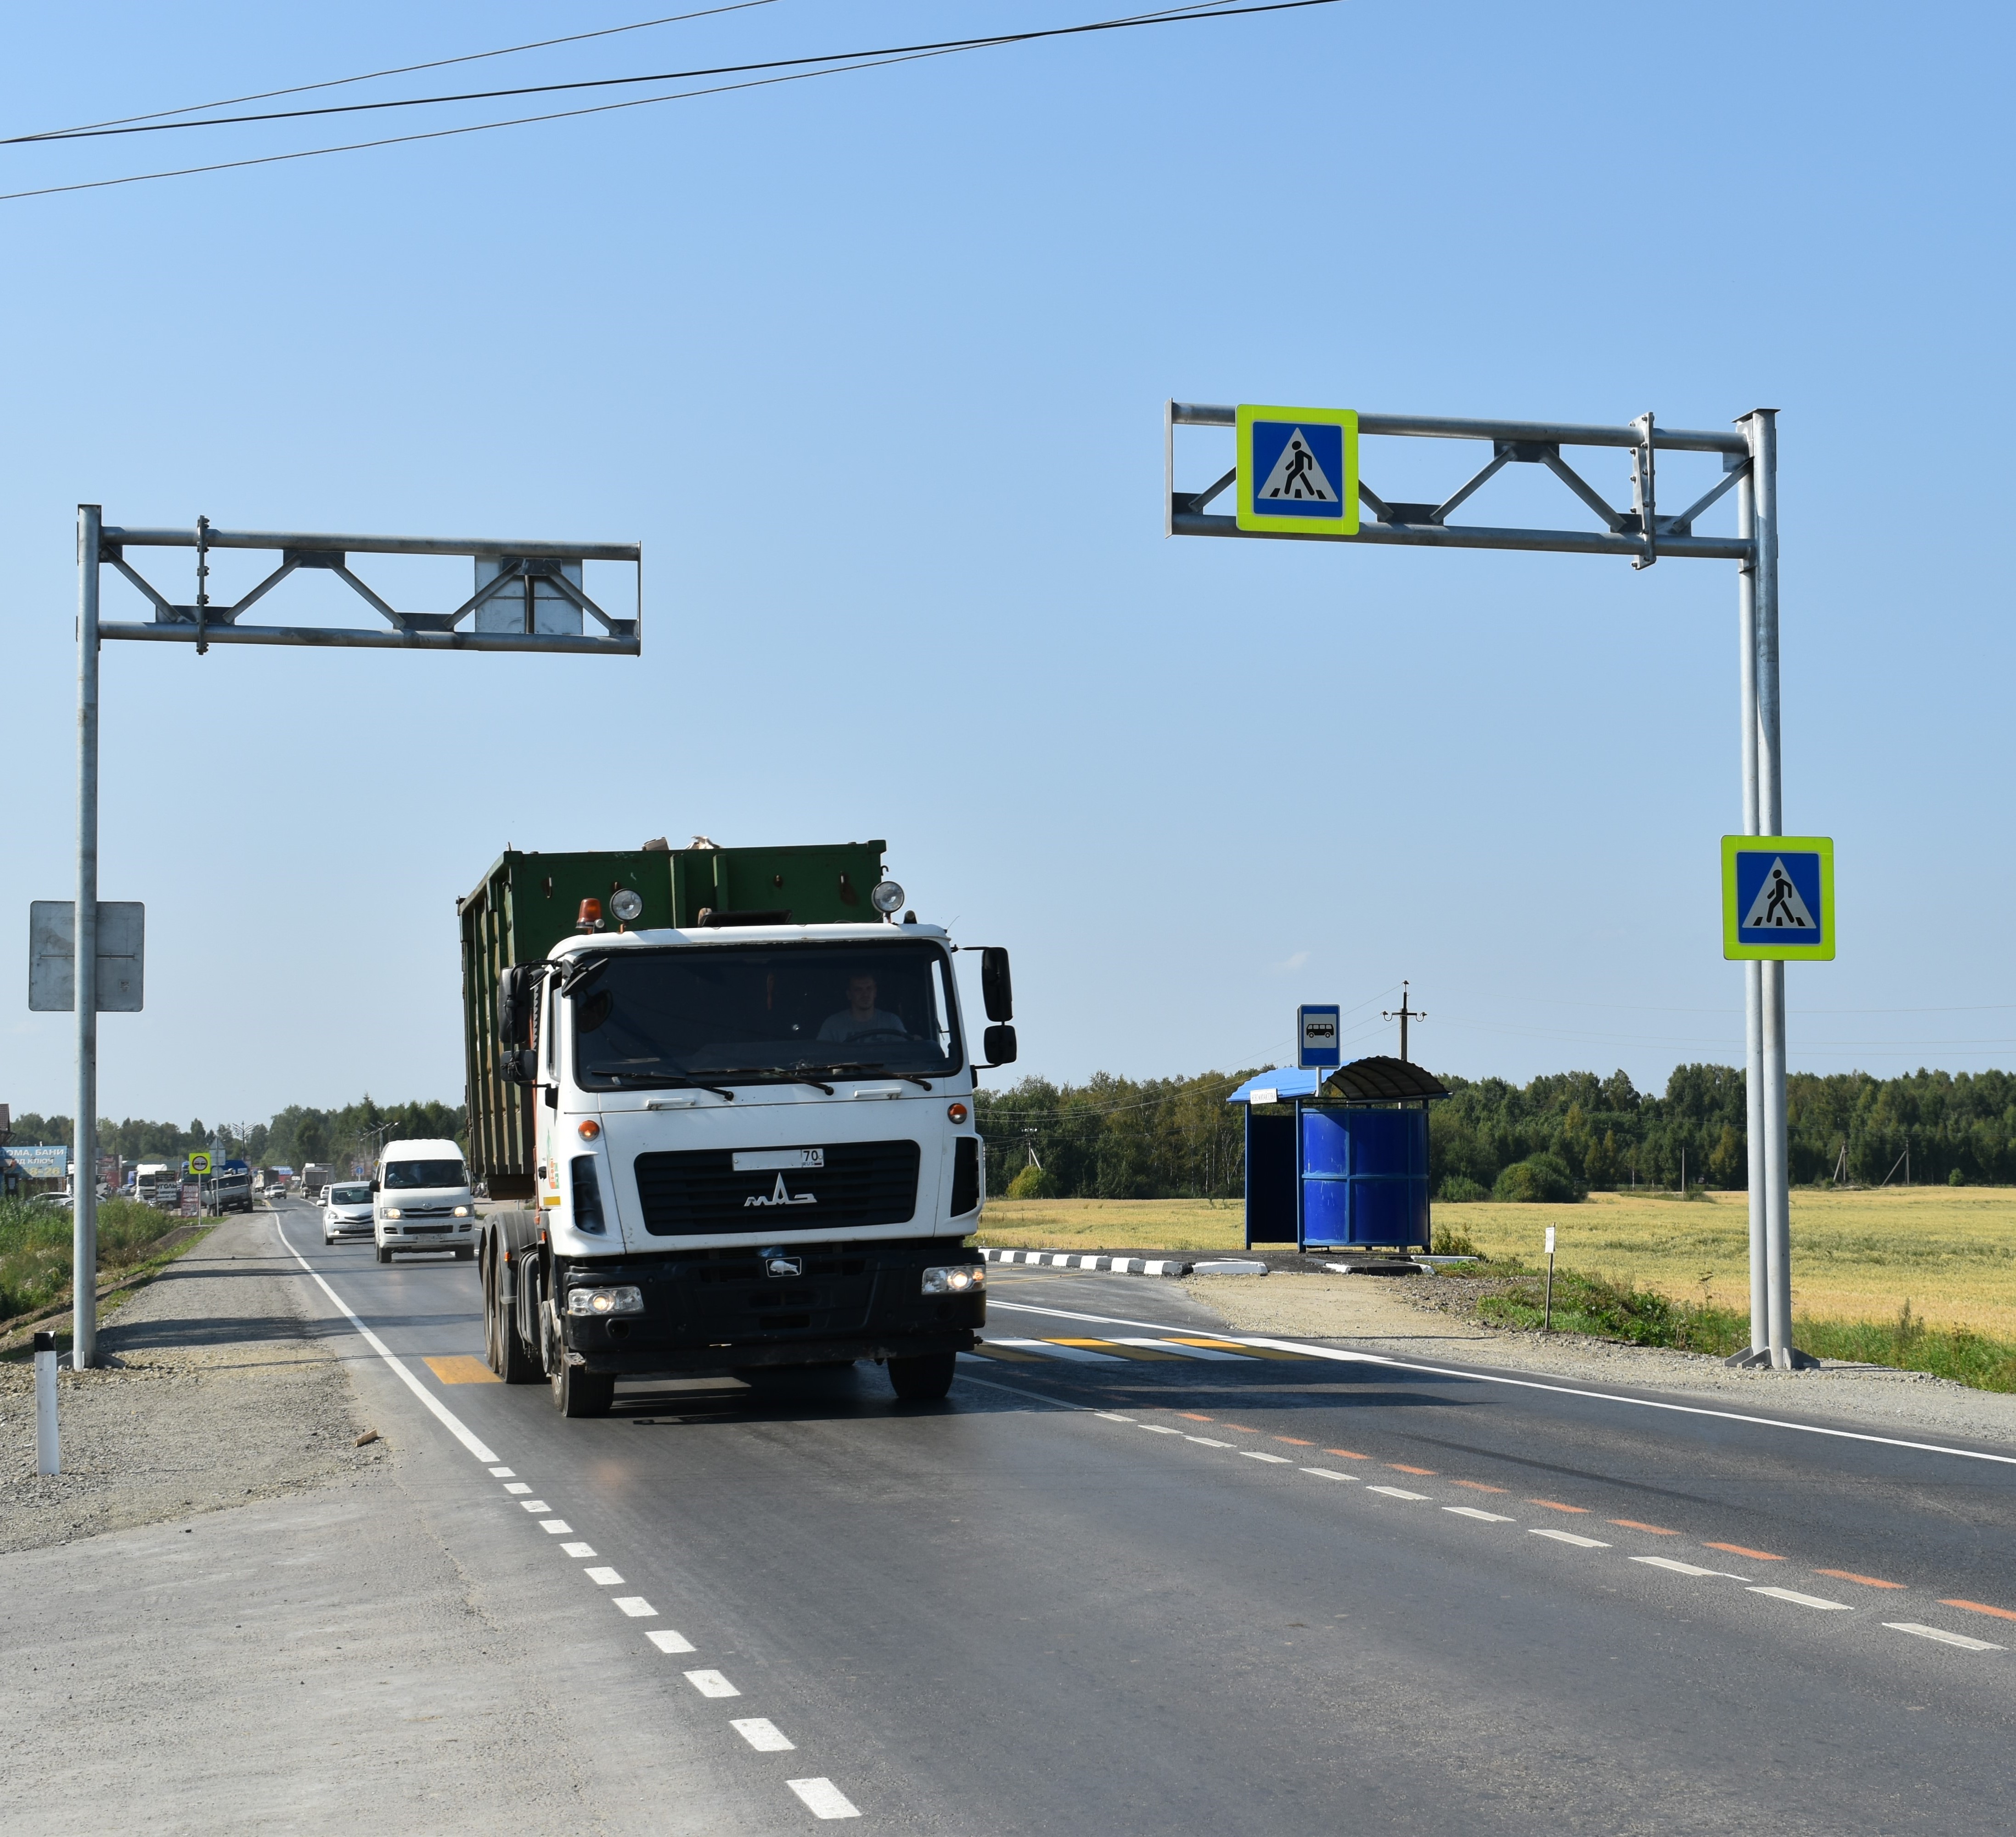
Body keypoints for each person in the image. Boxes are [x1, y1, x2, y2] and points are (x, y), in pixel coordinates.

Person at [818, 973, 908, 1043]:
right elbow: (821, 1057)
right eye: (858, 990)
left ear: (875, 992)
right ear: (849, 995)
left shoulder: (891, 1022)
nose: (865, 994)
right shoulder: (833, 1025)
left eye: (869, 989)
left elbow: (905, 1053)